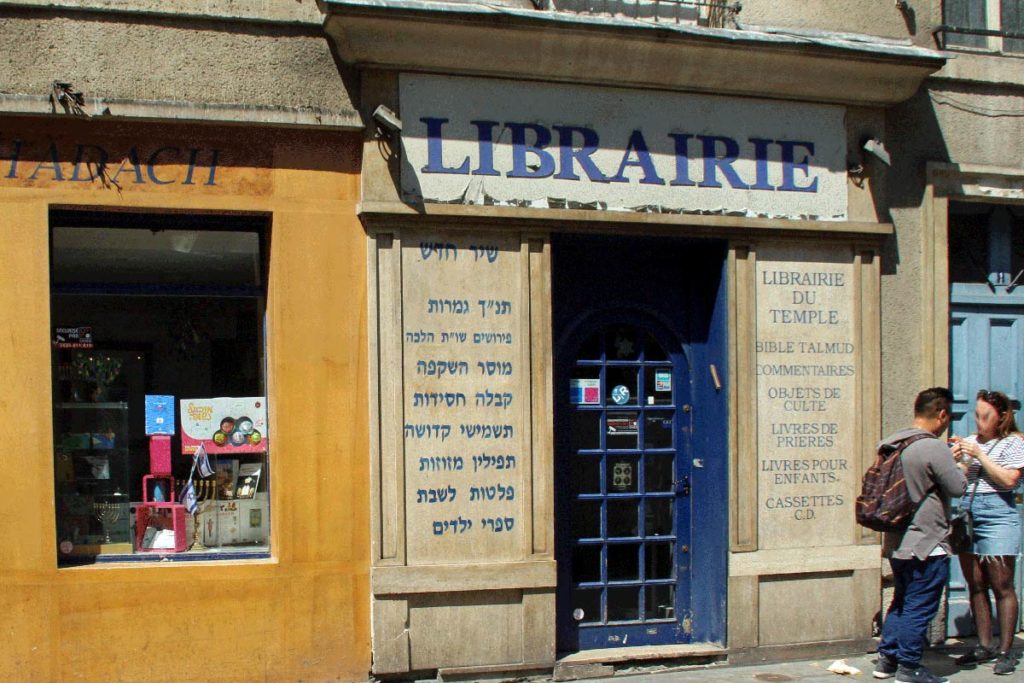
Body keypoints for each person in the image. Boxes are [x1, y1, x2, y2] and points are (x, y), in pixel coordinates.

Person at [874, 387, 968, 683]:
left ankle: (887, 661)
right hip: (927, 543)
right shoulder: (933, 447)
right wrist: (960, 466)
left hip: (898, 541)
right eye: (948, 416)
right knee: (920, 605)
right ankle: (910, 667)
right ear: (941, 414)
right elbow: (957, 487)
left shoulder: (892, 442)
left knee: (901, 601)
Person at [949, 390, 1024, 676]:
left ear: (1002, 416)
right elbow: (958, 480)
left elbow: (1008, 480)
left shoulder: (1014, 443)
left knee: (1002, 585)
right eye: (977, 415)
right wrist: (956, 459)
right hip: (968, 515)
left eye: (986, 416)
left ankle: (1005, 651)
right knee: (976, 583)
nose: (979, 422)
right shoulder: (970, 442)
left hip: (997, 516)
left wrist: (980, 455)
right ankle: (984, 644)